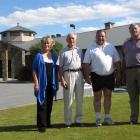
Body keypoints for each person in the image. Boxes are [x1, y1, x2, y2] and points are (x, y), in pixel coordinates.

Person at [83, 30, 120, 126]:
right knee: (97, 97)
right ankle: (98, 119)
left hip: (109, 76)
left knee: (108, 96)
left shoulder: (111, 47)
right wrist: (87, 76)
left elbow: (117, 61)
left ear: (105, 37)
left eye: (102, 36)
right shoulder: (91, 47)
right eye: (99, 36)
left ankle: (107, 118)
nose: (101, 38)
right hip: (96, 76)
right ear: (96, 37)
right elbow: (86, 63)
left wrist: (119, 72)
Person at [32, 36, 58, 132]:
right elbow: (34, 70)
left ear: (50, 45)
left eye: (48, 43)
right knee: (42, 104)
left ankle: (48, 123)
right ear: (41, 45)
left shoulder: (53, 55)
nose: (46, 45)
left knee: (49, 104)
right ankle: (41, 126)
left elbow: (57, 68)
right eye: (44, 43)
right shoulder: (38, 56)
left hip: (52, 84)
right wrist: (36, 83)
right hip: (42, 84)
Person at [59, 33, 84, 128]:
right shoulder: (63, 51)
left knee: (80, 99)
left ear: (75, 39)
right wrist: (62, 79)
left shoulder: (80, 51)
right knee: (68, 99)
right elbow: (60, 67)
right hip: (67, 74)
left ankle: (78, 120)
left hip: (79, 74)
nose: (71, 40)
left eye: (73, 38)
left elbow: (84, 64)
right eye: (69, 38)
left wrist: (85, 77)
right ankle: (68, 122)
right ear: (67, 40)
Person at [123, 23, 140, 124]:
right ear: (129, 31)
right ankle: (133, 119)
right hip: (129, 71)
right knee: (132, 97)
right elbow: (123, 58)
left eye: (136, 29)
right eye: (132, 29)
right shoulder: (126, 43)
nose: (134, 30)